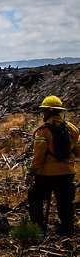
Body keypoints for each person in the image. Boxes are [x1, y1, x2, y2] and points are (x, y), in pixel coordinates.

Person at [26, 95, 79, 236]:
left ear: (49, 111)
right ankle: (67, 230)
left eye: (44, 111)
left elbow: (39, 156)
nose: (43, 113)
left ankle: (38, 229)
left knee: (35, 199)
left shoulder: (43, 131)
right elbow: (78, 151)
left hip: (46, 174)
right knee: (65, 203)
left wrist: (32, 172)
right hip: (67, 173)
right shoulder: (72, 129)